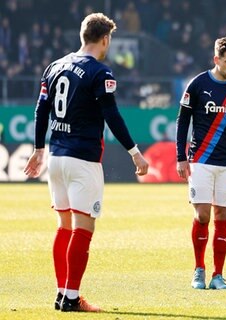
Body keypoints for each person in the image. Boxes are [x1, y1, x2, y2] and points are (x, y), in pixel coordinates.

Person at [23, 13, 149, 312]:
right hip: (83, 158)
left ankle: (61, 293)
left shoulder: (54, 66)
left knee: (64, 225)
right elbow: (112, 115)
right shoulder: (100, 72)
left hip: (56, 156)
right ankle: (71, 297)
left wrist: (39, 148)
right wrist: (134, 152)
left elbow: (42, 110)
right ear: (105, 39)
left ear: (83, 35)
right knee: (83, 227)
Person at [176, 36, 226, 290]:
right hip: (200, 159)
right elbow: (182, 122)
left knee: (223, 215)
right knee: (202, 215)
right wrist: (180, 156)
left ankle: (218, 275)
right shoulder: (197, 84)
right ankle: (198, 270)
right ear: (216, 59)